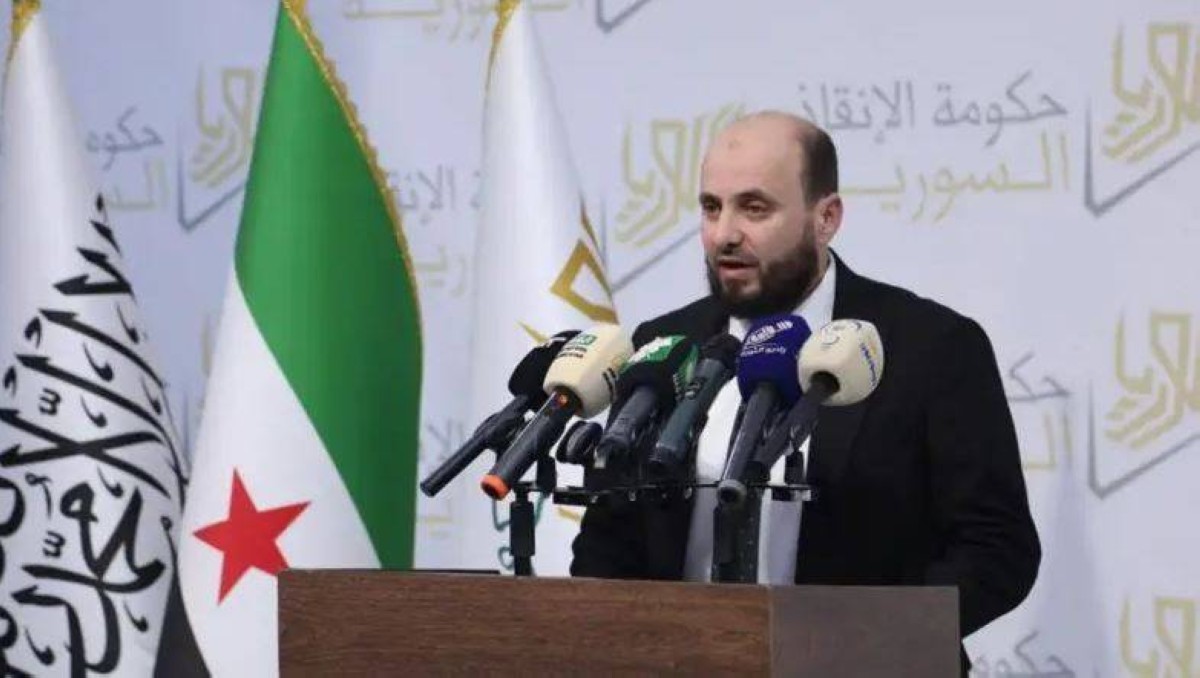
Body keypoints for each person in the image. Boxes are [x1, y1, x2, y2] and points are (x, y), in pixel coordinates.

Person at [570, 111, 1040, 674]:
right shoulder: (666, 346)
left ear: (826, 218)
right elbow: (609, 540)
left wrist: (861, 644)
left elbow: (997, 547)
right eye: (711, 207)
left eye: (754, 208)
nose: (724, 234)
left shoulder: (929, 346)